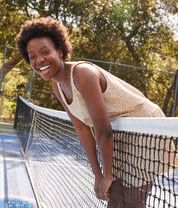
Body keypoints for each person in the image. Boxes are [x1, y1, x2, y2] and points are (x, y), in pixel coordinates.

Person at [17, 17, 167, 208]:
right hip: (120, 133)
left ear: (60, 52)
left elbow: (102, 130)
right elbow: (82, 129)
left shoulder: (83, 74)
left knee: (132, 202)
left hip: (145, 128)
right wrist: (98, 174)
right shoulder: (57, 85)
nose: (39, 60)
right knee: (115, 200)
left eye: (45, 52)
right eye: (32, 56)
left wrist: (108, 174)